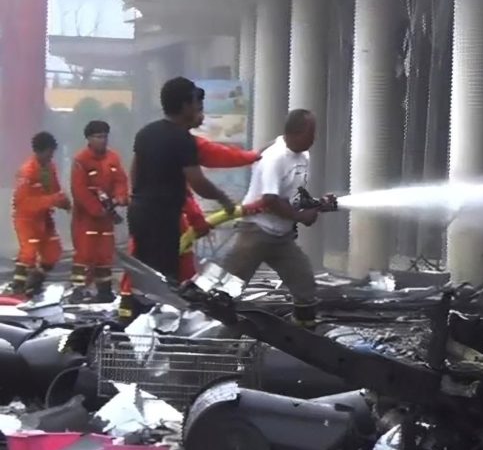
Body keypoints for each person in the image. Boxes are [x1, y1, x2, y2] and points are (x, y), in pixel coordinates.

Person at [117, 136, 261, 321]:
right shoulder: (175, 161)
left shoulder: (150, 164)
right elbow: (188, 196)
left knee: (141, 271)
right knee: (177, 277)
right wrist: (251, 157)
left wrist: (251, 157)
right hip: (169, 232)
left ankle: (133, 315)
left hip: (148, 229)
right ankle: (172, 314)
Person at [220, 109, 333, 329]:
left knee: (304, 285)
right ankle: (214, 334)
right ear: (295, 133)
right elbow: (270, 200)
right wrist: (301, 217)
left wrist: (317, 204)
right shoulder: (275, 157)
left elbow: (292, 195)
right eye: (311, 133)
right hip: (256, 233)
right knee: (228, 288)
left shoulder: (304, 156)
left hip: (281, 237)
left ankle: (304, 332)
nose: (314, 138)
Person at [129, 77, 234, 283]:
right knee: (165, 275)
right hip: (163, 217)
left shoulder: (145, 133)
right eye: (195, 102)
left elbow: (134, 172)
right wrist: (223, 199)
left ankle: (137, 302)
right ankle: (159, 304)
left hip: (139, 212)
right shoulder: (183, 139)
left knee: (144, 273)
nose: (198, 107)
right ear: (185, 105)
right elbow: (198, 182)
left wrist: (139, 199)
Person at [69, 120, 129, 302]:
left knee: (105, 255)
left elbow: (121, 181)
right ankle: (78, 291)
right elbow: (79, 190)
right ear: (88, 138)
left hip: (106, 217)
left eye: (105, 136)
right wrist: (97, 209)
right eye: (98, 137)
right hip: (86, 219)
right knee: (85, 255)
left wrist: (120, 198)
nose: (102, 140)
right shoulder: (81, 160)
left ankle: (104, 292)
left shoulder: (113, 158)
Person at [10, 132, 71, 297]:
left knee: (53, 252)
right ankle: (18, 287)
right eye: (49, 152)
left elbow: (55, 189)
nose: (51, 156)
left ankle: (34, 283)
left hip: (44, 217)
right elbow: (23, 203)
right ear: (40, 151)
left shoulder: (50, 168)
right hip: (26, 219)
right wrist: (52, 200)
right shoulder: (27, 172)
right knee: (28, 253)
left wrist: (64, 203)